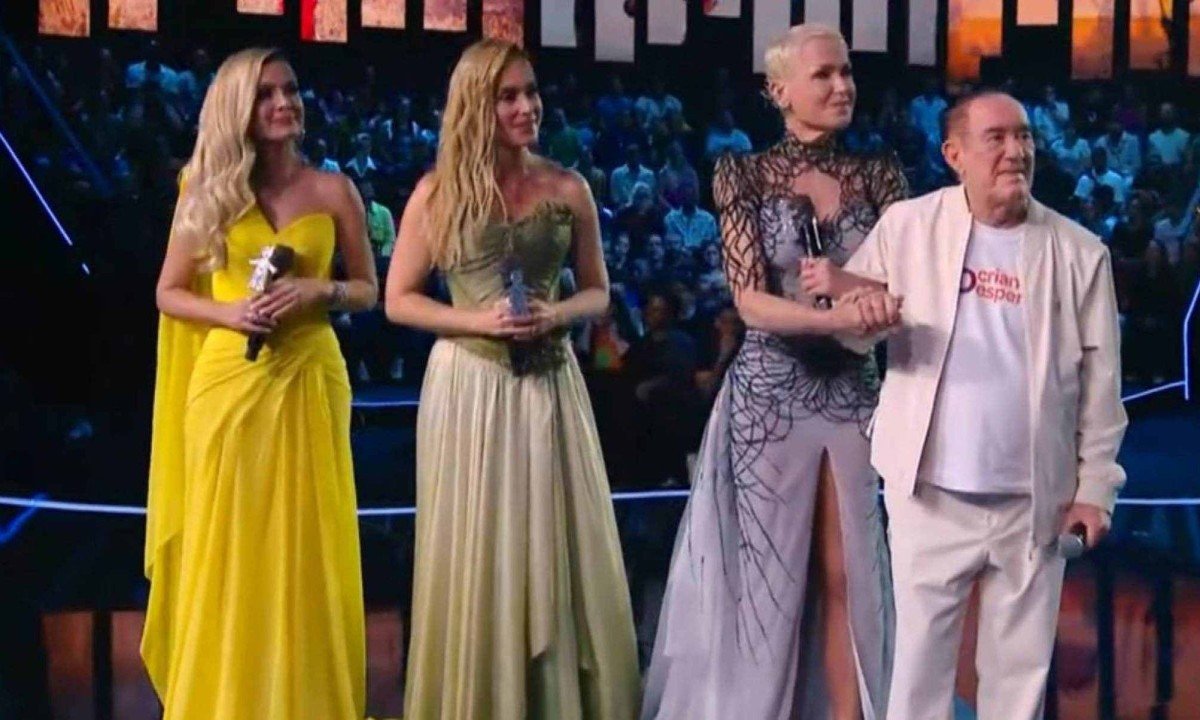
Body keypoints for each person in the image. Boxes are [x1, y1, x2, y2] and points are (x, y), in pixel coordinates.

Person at [809, 91, 1128, 719]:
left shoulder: (1081, 252)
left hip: (1035, 502)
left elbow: (1102, 388)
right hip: (928, 494)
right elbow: (849, 329)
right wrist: (859, 314)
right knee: (918, 673)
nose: (1016, 151)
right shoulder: (907, 226)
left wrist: (1096, 490)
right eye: (996, 138)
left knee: (1018, 681)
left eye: (1024, 136)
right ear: (954, 154)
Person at [641, 24, 906, 720]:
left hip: (854, 393)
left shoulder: (881, 174)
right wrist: (835, 318)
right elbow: (750, 300)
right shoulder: (743, 174)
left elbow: (903, 282)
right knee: (768, 577)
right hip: (768, 396)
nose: (843, 86)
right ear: (779, 91)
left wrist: (856, 297)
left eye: (847, 72)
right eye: (824, 75)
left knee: (851, 570)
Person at [384, 39, 640, 719]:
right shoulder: (436, 194)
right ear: (477, 105)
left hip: (551, 386)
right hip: (468, 389)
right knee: (478, 549)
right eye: (509, 97)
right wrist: (477, 322)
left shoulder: (569, 188)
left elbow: (599, 292)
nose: (528, 107)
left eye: (531, 92)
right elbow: (398, 299)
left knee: (556, 544)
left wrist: (557, 312)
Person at [144, 48, 375, 718]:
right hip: (228, 389)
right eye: (267, 94)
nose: (284, 103)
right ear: (239, 108)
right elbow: (167, 292)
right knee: (230, 552)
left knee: (308, 552)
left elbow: (369, 290)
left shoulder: (335, 190)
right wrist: (230, 312)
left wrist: (321, 290)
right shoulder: (206, 189)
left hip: (310, 379)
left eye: (291, 90)